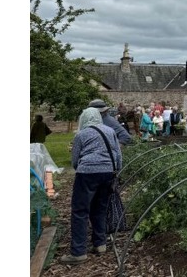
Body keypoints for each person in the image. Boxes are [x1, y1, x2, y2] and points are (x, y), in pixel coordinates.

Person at [60, 107, 122, 264]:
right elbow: (118, 155)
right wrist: (114, 171)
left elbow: (75, 160)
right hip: (108, 172)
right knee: (100, 209)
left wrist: (81, 169)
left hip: (87, 173)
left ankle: (78, 252)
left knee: (80, 211)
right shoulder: (110, 131)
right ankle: (100, 244)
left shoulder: (81, 134)